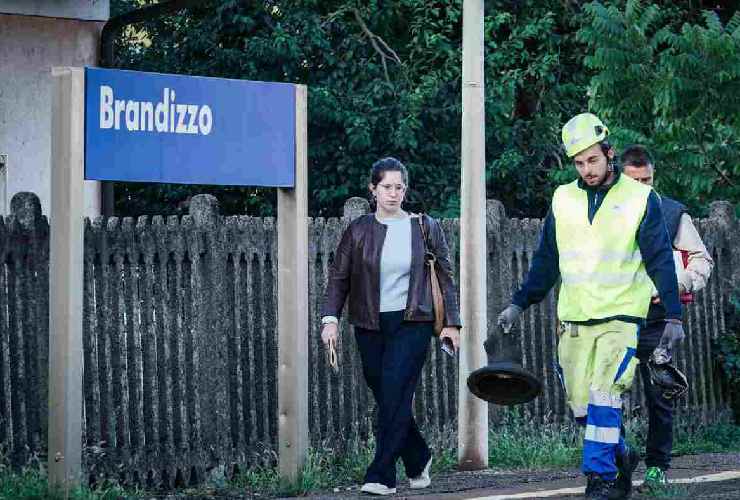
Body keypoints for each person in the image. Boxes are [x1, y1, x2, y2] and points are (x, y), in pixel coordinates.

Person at [497, 113, 683, 500]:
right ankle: (621, 455)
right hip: (575, 321)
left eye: (593, 160)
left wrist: (673, 314)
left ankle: (599, 480)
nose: (587, 169)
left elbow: (660, 259)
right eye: (579, 163)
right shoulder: (563, 199)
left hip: (621, 319)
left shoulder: (639, 198)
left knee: (604, 394)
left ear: (609, 153)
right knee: (582, 406)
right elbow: (547, 260)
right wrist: (519, 303)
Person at [320, 157, 462, 495]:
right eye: (387, 187)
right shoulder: (358, 231)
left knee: (397, 389)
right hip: (369, 322)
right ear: (373, 189)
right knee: (386, 394)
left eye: (399, 187)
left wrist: (452, 324)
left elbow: (445, 277)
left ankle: (381, 473)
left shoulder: (424, 227)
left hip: (414, 319)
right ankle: (417, 456)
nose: (393, 193)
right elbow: (339, 278)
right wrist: (330, 319)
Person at [621, 145, 714, 490]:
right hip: (617, 316)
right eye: (635, 181)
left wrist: (677, 282)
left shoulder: (673, 213)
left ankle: (657, 468)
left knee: (660, 395)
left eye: (647, 179)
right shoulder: (607, 215)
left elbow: (702, 260)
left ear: (654, 176)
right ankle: (618, 458)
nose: (642, 187)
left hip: (660, 316)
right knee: (605, 393)